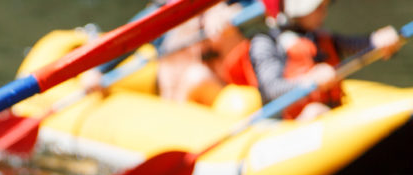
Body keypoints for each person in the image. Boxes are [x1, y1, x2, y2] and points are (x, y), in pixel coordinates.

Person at [247, 0, 401, 119]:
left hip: (331, 112)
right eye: (317, 8)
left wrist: (378, 40)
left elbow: (359, 45)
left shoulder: (318, 35)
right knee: (314, 112)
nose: (324, 13)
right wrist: (309, 80)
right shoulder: (265, 43)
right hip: (292, 123)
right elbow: (272, 89)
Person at [157, 1, 253, 105]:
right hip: (185, 105)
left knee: (198, 76)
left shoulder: (224, 15)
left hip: (232, 94)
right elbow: (169, 93)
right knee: (197, 76)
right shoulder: (175, 39)